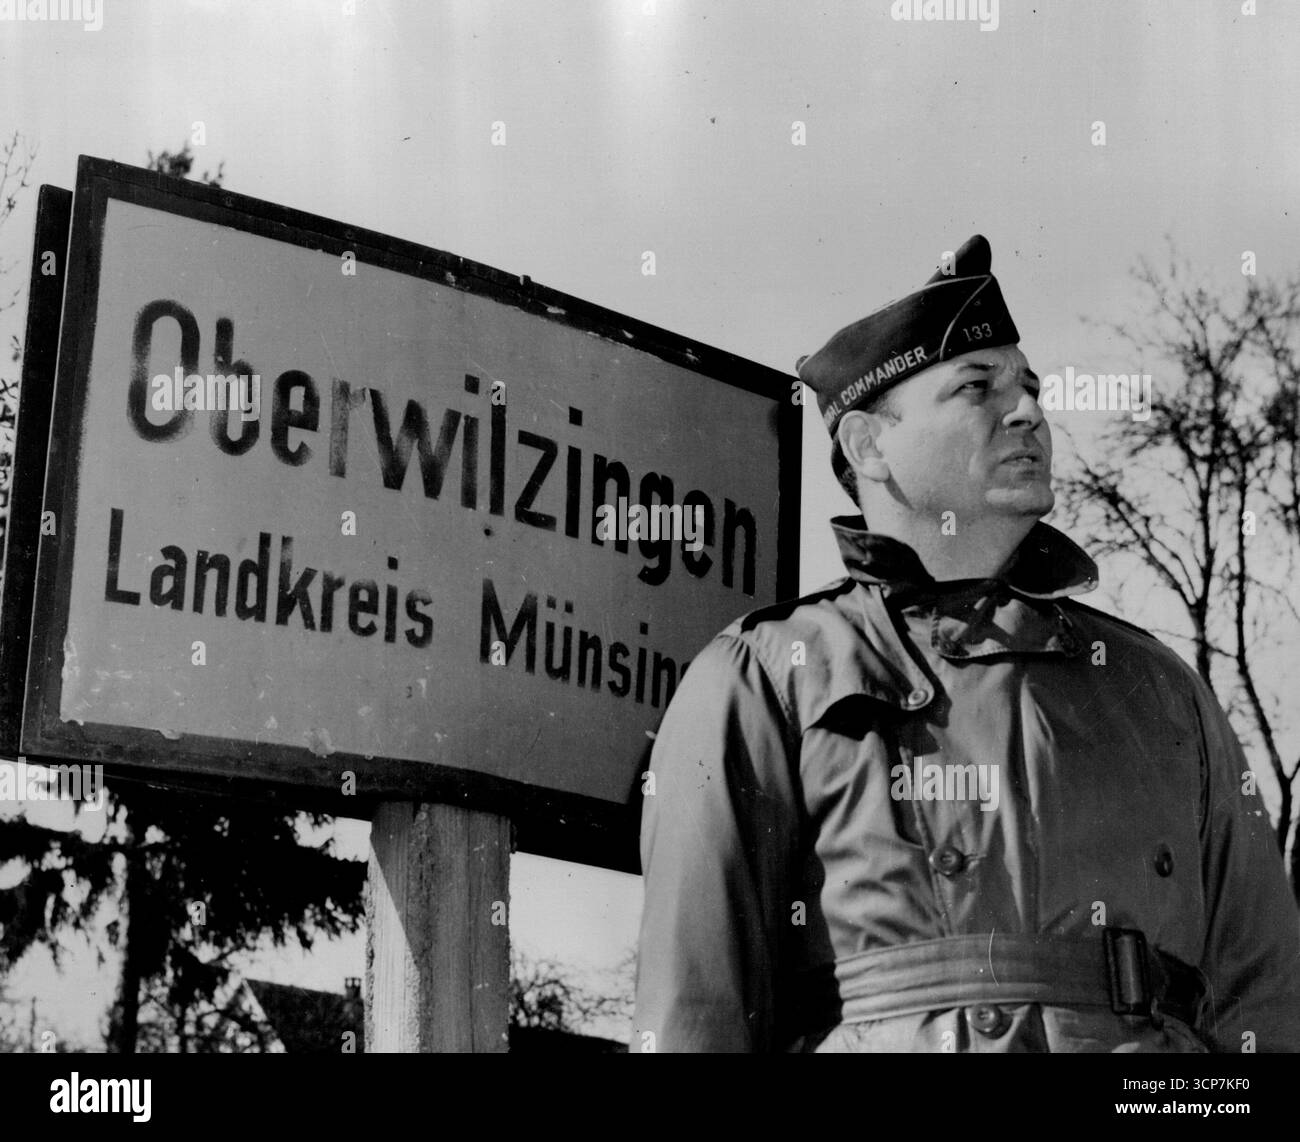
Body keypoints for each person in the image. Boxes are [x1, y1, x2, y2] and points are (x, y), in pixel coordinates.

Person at [632, 235, 1300, 1053]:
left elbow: (1267, 1000)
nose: (1027, 413)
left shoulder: (1158, 689)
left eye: (1031, 389)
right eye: (977, 387)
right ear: (868, 446)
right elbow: (695, 1016)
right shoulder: (767, 677)